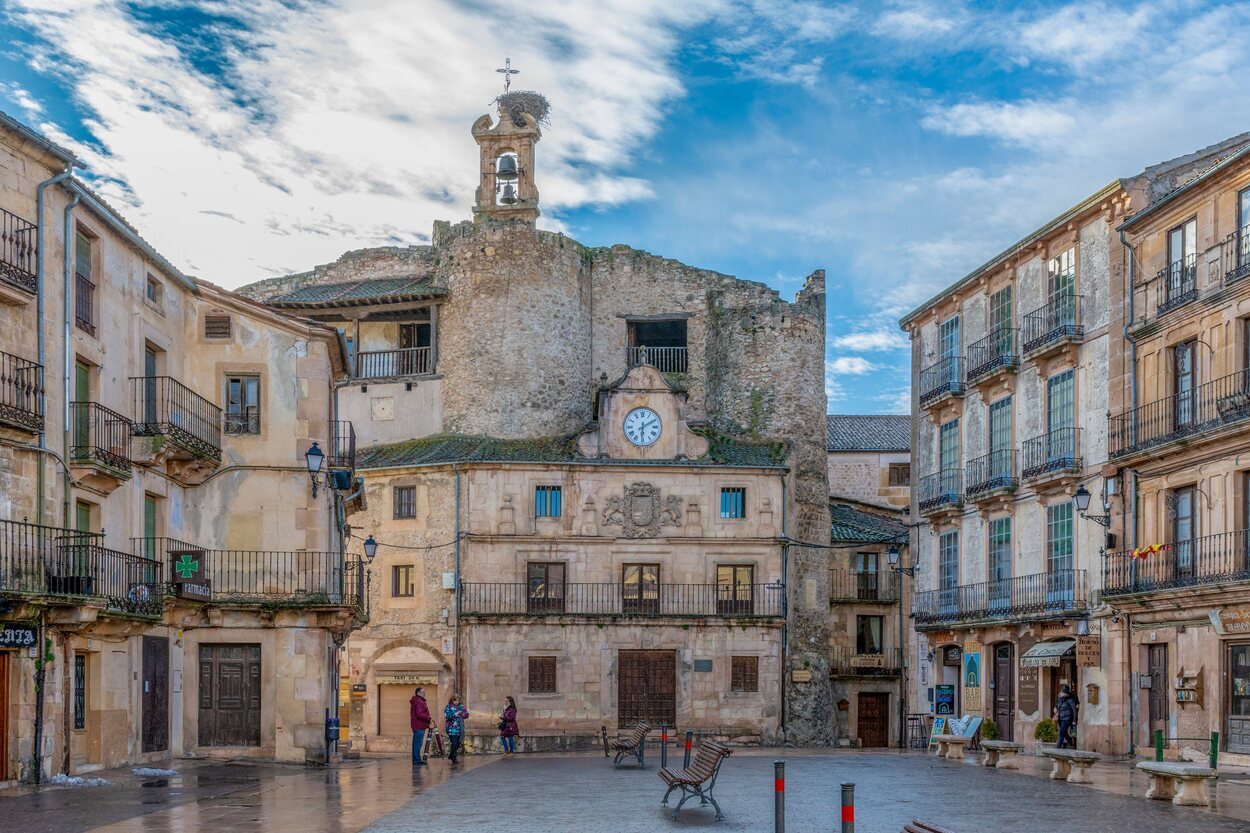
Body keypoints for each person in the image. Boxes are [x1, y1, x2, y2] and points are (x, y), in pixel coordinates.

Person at [409, 687, 432, 766]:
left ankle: (416, 760)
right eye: (423, 692)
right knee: (418, 744)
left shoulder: (417, 701)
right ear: (418, 693)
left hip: (417, 725)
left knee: (417, 744)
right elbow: (419, 714)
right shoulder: (419, 702)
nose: (424, 693)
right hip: (419, 725)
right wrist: (429, 717)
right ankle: (417, 761)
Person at [445, 694, 469, 764]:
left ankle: (451, 755)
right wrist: (455, 714)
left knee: (458, 743)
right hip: (451, 729)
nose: (457, 702)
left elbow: (467, 714)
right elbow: (447, 716)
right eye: (455, 700)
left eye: (458, 700)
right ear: (452, 700)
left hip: (460, 729)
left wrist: (462, 714)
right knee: (454, 743)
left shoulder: (462, 707)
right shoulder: (448, 706)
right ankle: (454, 758)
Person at [1054, 684, 1080, 749]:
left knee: (1061, 732)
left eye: (1062, 693)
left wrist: (1074, 720)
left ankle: (1058, 748)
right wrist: (1055, 707)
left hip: (1067, 719)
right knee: (1064, 733)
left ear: (1066, 694)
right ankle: (1071, 743)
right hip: (1060, 718)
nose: (1061, 693)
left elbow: (1074, 711)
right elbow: (1058, 705)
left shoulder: (1070, 700)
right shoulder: (1061, 700)